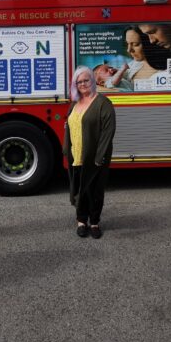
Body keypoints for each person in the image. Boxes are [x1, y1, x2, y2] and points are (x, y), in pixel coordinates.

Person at [63, 66, 116, 239]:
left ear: (92, 81)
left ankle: (94, 222)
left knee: (95, 190)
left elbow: (108, 131)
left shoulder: (103, 103)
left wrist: (100, 156)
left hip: (95, 157)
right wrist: (66, 148)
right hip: (76, 154)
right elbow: (69, 126)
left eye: (86, 80)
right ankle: (81, 221)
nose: (83, 84)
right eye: (79, 82)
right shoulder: (75, 103)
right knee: (80, 188)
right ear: (75, 85)